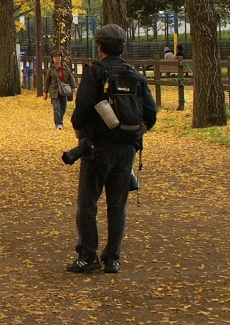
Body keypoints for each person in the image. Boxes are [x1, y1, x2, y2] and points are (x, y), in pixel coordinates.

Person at [67, 24, 157, 275]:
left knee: (88, 203)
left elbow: (82, 106)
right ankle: (113, 258)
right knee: (117, 205)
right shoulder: (134, 74)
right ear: (122, 47)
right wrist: (135, 132)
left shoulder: (95, 72)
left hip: (97, 148)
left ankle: (87, 255)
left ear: (100, 47)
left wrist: (78, 130)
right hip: (126, 150)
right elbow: (150, 112)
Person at [43, 50, 77, 130]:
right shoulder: (51, 69)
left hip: (64, 91)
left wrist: (74, 87)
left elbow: (70, 77)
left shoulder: (65, 67)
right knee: (57, 108)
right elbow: (47, 81)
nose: (57, 58)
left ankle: (60, 120)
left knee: (63, 108)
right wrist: (45, 92)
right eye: (55, 57)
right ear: (53, 59)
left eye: (59, 56)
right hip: (54, 92)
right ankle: (58, 124)